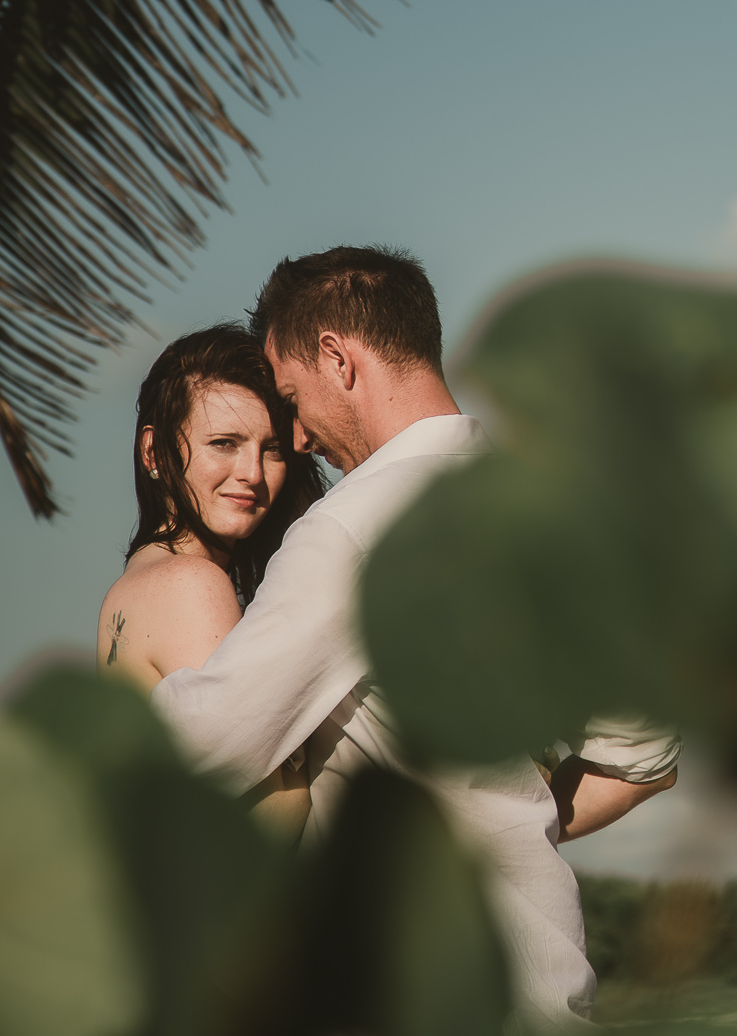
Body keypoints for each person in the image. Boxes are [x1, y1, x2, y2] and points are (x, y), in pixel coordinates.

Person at [149, 246, 678, 1029]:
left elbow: (213, 742)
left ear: (338, 358)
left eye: (292, 398)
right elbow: (643, 759)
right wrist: (510, 820)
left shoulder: (353, 533)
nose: (295, 439)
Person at [95, 325, 327, 837]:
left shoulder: (137, 583)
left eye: (272, 449)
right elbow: (277, 812)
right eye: (224, 443)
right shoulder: (190, 583)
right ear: (153, 454)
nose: (252, 472)